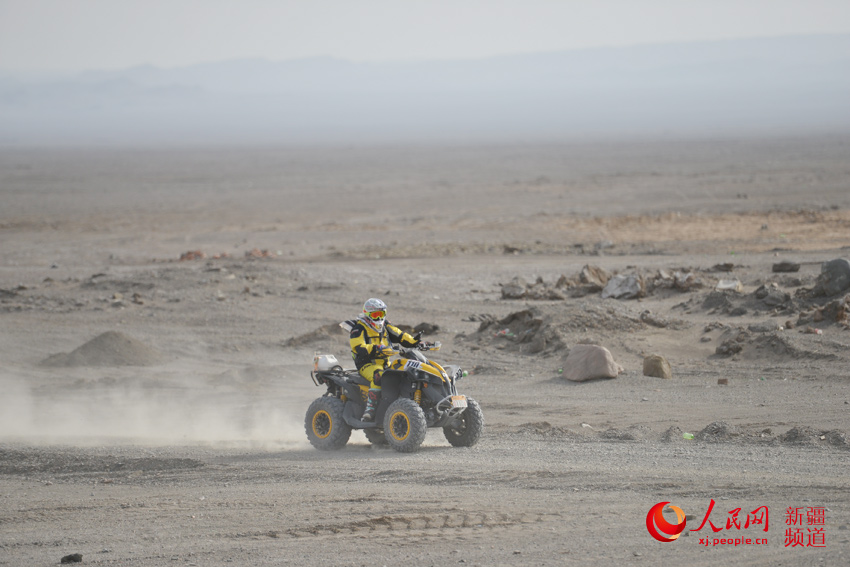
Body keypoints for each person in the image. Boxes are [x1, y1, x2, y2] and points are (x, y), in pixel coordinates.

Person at [348, 298, 420, 422]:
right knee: (379, 375)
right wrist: (377, 348)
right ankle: (370, 410)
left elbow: (400, 335)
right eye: (375, 315)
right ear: (368, 314)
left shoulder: (386, 325)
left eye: (381, 314)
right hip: (367, 364)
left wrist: (416, 342)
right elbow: (358, 347)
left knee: (405, 373)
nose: (379, 318)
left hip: (385, 363)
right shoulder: (358, 328)